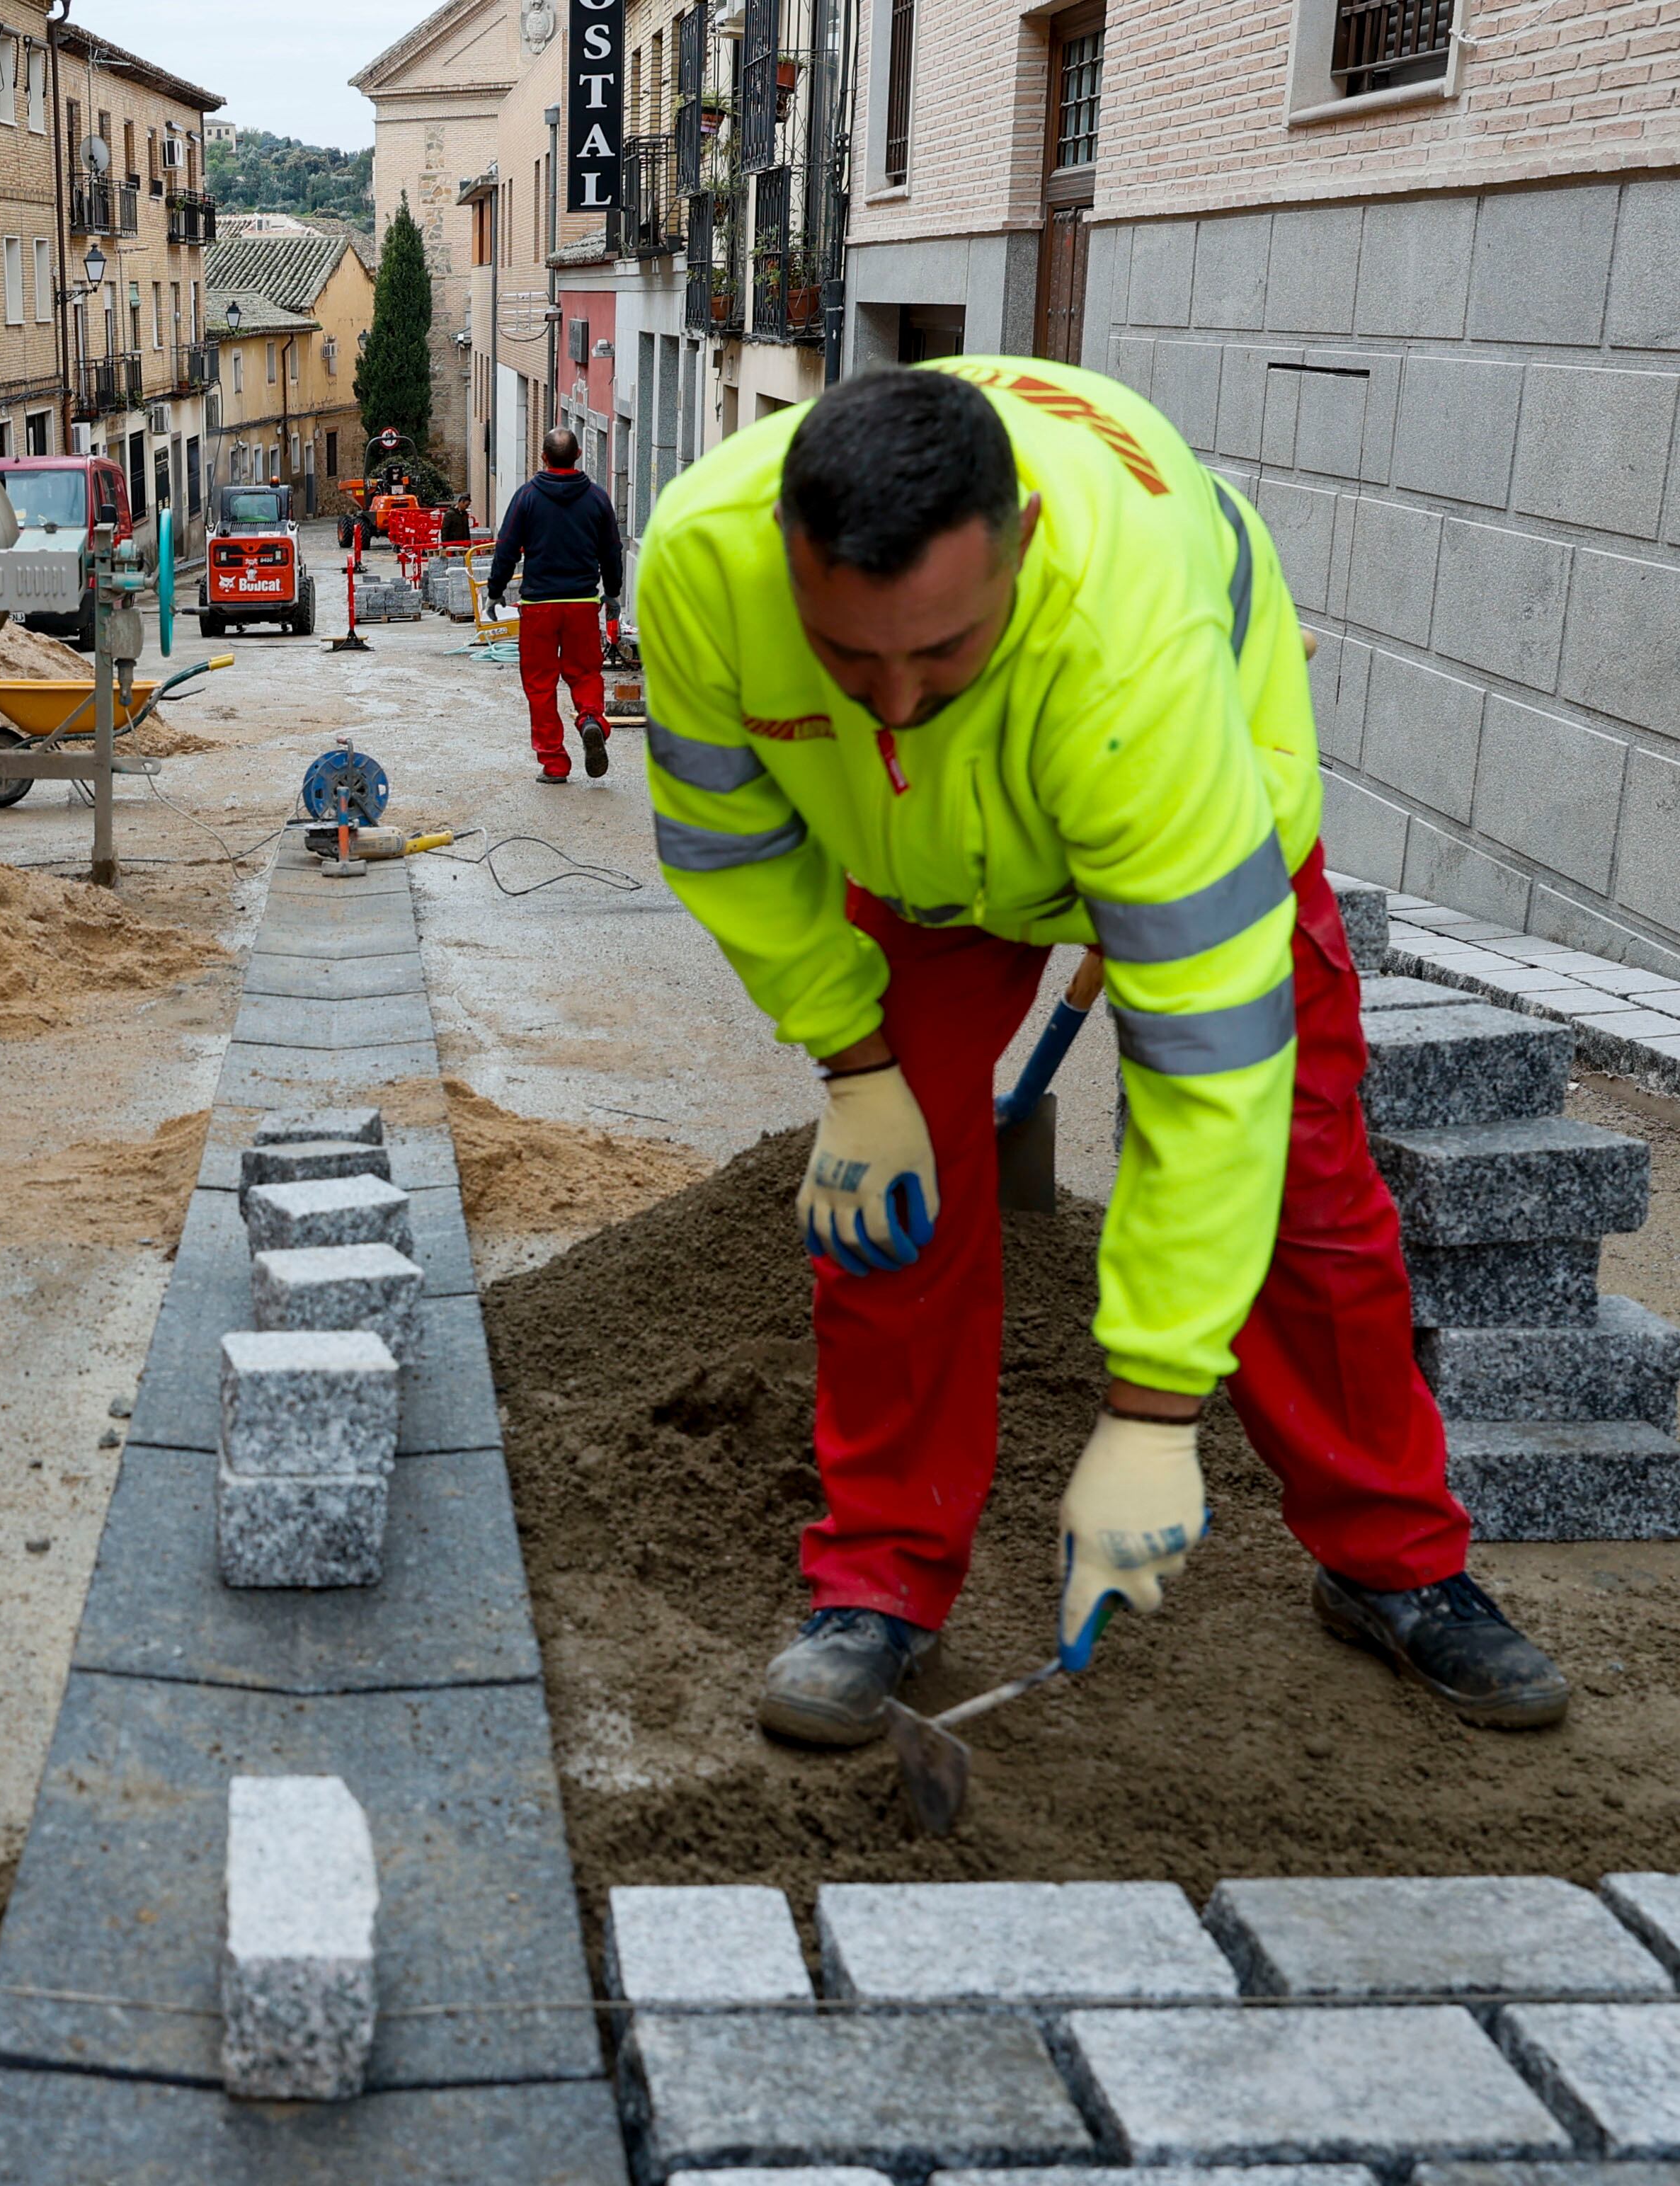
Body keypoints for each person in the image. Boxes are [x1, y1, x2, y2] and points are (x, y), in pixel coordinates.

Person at [635, 361, 1568, 1746]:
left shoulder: (1138, 656)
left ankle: (1391, 1560)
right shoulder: (701, 567)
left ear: (1019, 543)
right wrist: (854, 1063)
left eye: (940, 652)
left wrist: (1153, 1411)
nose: (894, 703)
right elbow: (730, 847)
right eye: (848, 658)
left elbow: (1211, 1081)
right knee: (886, 1200)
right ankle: (879, 1579)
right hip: (916, 857)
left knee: (1300, 1185)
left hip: (1174, 793)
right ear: (784, 553)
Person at [488, 429, 625, 783]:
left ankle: (554, 764)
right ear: (578, 455)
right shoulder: (597, 498)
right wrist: (612, 593)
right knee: (586, 673)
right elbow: (612, 550)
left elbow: (506, 547)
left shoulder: (527, 497)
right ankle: (591, 719)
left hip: (539, 606)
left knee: (540, 684)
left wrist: (495, 591)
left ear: (544, 458)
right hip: (582, 604)